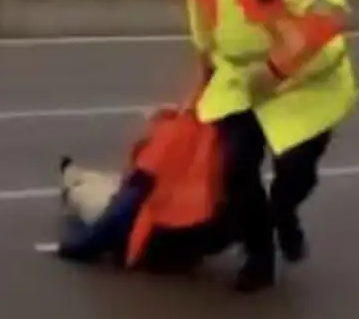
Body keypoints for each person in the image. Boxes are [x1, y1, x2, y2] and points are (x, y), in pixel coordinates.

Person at [177, 0, 359, 293]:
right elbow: (204, 33)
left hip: (305, 79)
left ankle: (284, 213)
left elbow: (328, 13)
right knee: (236, 170)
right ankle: (258, 257)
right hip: (242, 81)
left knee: (294, 172)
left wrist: (277, 68)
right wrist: (204, 81)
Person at [55, 107, 234, 272]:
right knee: (115, 184)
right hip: (193, 242)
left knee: (91, 194)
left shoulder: (171, 140)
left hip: (149, 241)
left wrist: (83, 247)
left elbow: (123, 210)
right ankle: (76, 174)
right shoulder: (222, 143)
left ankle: (72, 177)